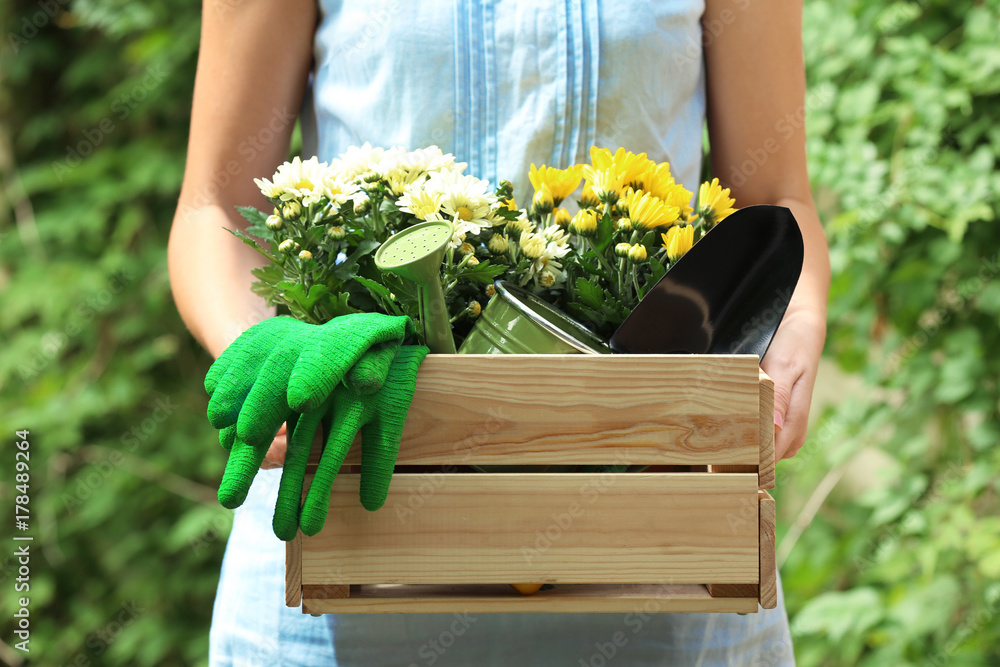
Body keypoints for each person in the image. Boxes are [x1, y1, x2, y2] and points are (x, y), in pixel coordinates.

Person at [168, 0, 829, 664]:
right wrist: (269, 350)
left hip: (659, 573)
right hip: (337, 553)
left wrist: (795, 328)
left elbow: (774, 195)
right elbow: (215, 206)